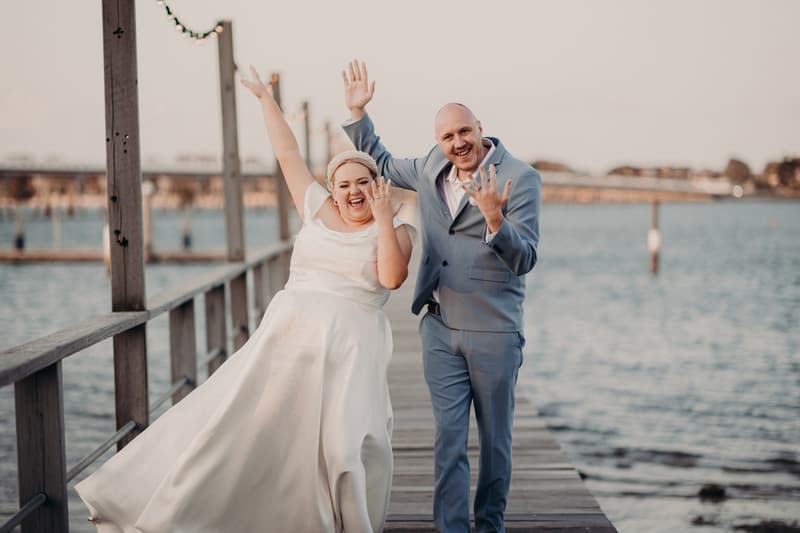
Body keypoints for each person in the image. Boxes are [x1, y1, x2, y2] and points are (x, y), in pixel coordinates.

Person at [74, 65, 415, 533]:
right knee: (256, 435)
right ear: (332, 191)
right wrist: (263, 99)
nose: (353, 191)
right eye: (344, 184)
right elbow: (287, 152)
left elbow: (392, 279)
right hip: (289, 341)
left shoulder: (396, 229)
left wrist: (381, 217)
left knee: (346, 445)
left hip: (351, 349)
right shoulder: (315, 208)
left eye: (362, 182)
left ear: (376, 185)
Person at [341, 60, 541, 533]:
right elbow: (384, 164)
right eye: (448, 136)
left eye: (464, 132)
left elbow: (526, 256)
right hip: (438, 326)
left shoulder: (521, 176)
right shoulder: (432, 164)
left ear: (480, 128)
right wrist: (357, 113)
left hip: (494, 331)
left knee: (494, 443)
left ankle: (488, 525)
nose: (458, 143)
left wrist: (495, 220)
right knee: (448, 440)